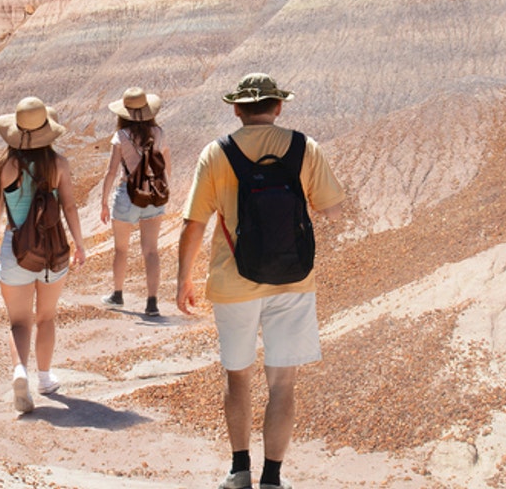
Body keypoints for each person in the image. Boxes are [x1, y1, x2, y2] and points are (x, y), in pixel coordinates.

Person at [176, 73, 346, 489]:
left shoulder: (216, 153)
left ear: (236, 109)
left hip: (234, 283)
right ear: (279, 107)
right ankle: (272, 477)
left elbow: (193, 223)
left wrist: (183, 280)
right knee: (282, 383)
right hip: (292, 282)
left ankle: (239, 471)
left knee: (238, 378)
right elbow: (334, 211)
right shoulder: (306, 148)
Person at [0, 96, 87, 413]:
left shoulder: (5, 166)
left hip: (15, 250)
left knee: (19, 322)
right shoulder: (59, 164)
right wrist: (80, 244)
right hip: (52, 252)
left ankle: (20, 372)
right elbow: (69, 206)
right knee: (46, 317)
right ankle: (45, 379)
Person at [98, 86, 172, 318]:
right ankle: (152, 303)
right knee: (151, 251)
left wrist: (103, 202)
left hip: (127, 196)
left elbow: (111, 172)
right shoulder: (158, 133)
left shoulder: (120, 137)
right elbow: (167, 166)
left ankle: (117, 295)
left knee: (121, 249)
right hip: (153, 196)